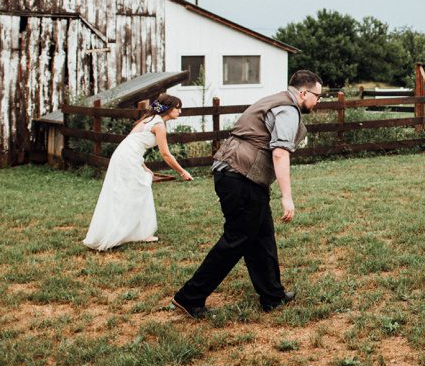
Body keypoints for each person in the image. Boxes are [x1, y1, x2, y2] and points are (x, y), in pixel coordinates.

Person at [172, 70, 324, 317]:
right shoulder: (288, 108)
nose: (318, 101)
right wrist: (287, 196)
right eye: (317, 96)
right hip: (240, 176)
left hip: (238, 174)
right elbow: (280, 152)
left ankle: (272, 296)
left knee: (261, 235)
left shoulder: (275, 100)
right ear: (304, 93)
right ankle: (190, 297)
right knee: (237, 238)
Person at [82, 93, 194, 251]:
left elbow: (132, 142)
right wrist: (182, 172)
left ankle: (140, 232)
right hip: (127, 158)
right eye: (177, 108)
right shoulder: (159, 125)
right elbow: (166, 154)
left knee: (138, 188)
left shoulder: (149, 119)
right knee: (135, 190)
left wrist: (142, 165)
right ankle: (120, 233)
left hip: (124, 156)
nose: (180, 111)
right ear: (168, 109)